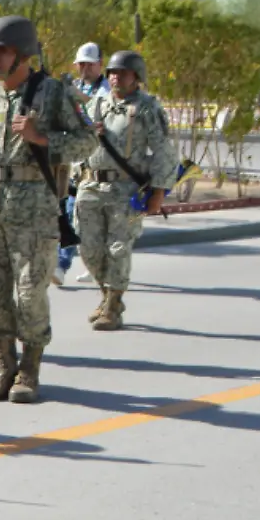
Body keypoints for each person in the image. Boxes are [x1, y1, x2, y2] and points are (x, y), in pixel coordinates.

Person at [0, 15, 96, 404]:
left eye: (3, 51)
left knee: (30, 293)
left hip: (33, 210)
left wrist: (41, 138)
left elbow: (87, 142)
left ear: (23, 55)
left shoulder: (52, 93)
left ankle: (29, 369)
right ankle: (3, 366)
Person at [76, 50, 177, 331]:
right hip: (91, 185)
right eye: (111, 72)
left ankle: (112, 306)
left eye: (123, 73)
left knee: (118, 249)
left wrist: (158, 190)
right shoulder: (97, 104)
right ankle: (107, 295)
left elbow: (163, 151)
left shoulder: (147, 109)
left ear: (136, 77)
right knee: (89, 248)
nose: (115, 77)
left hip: (125, 188)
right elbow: (78, 142)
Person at [60, 43, 106, 283]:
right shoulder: (72, 89)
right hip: (75, 165)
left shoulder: (107, 92)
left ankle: (94, 264)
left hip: (100, 166)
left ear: (100, 65)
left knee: (91, 224)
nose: (85, 69)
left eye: (90, 64)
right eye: (81, 64)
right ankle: (61, 264)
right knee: (70, 213)